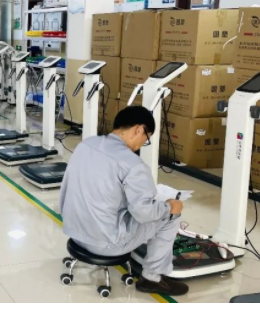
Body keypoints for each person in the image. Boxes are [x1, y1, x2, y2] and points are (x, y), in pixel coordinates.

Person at [59, 106, 189, 297]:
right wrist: (169, 206)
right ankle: (152, 277)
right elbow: (144, 213)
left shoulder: (85, 145)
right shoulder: (133, 164)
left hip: (74, 232)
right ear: (139, 130)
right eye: (146, 138)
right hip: (105, 245)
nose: (143, 144)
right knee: (172, 213)